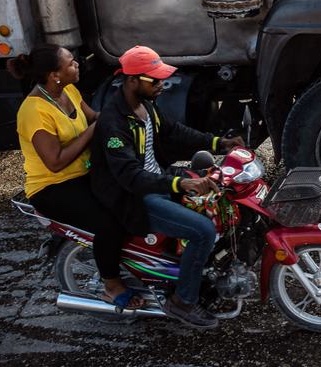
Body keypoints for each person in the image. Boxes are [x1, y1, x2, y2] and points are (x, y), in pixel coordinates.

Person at [91, 46, 243, 329]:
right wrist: (180, 182)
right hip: (133, 196)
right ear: (132, 80)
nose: (162, 85)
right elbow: (130, 177)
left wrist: (218, 143)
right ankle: (183, 301)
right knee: (202, 230)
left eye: (161, 79)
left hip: (156, 178)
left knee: (219, 195)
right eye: (155, 80)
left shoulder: (145, 105)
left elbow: (175, 131)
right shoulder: (114, 123)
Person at [9, 46, 142, 311]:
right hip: (53, 187)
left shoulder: (68, 90)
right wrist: (94, 130)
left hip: (85, 172)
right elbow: (55, 161)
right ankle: (111, 285)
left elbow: (95, 117)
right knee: (109, 222)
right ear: (54, 75)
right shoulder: (33, 111)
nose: (77, 65)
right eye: (71, 63)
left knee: (138, 195)